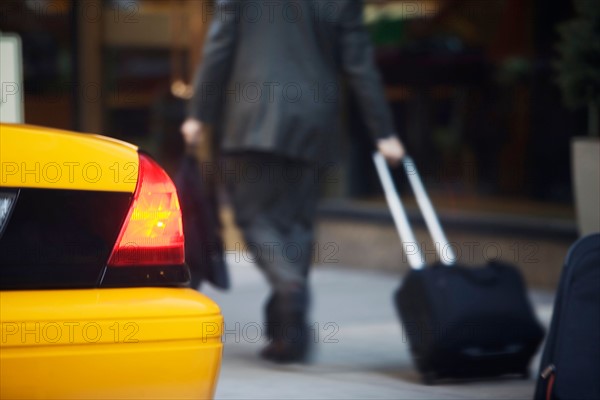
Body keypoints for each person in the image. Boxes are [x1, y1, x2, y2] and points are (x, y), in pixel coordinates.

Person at [181, 0, 405, 363]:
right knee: (296, 225)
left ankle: (288, 287)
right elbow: (360, 65)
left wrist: (198, 115)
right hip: (313, 122)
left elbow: (219, 47)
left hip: (251, 120)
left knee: (256, 220)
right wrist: (384, 132)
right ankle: (287, 335)